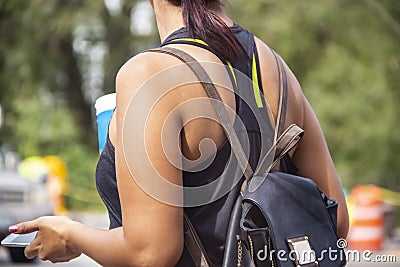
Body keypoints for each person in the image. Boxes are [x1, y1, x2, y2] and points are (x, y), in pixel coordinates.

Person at [8, 0, 349, 266]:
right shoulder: (276, 68)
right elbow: (336, 221)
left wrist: (71, 235)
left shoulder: (148, 75)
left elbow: (150, 253)